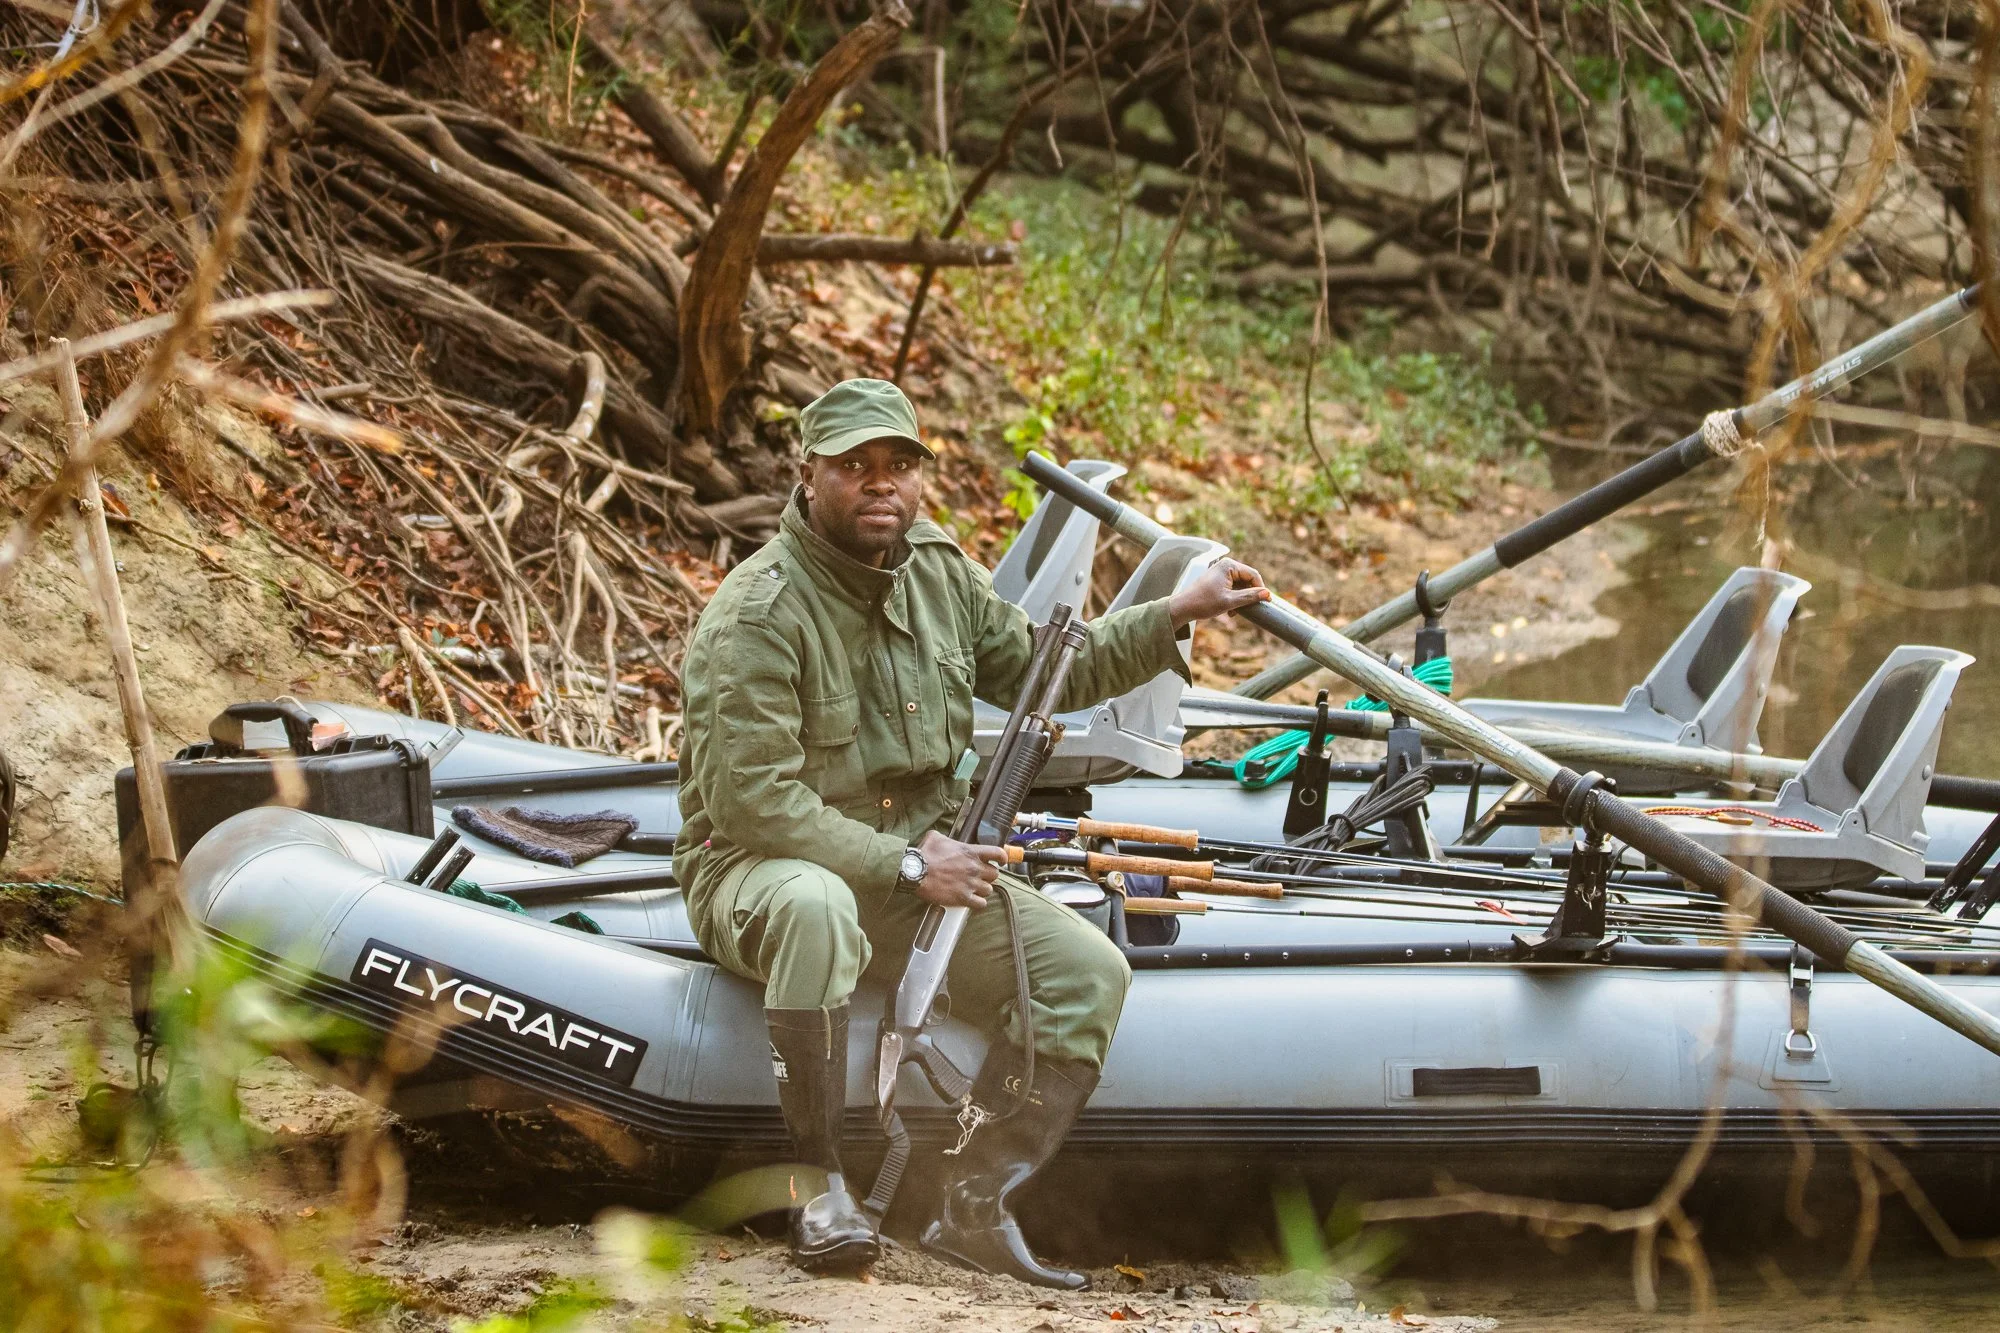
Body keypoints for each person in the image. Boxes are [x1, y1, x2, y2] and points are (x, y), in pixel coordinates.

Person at [675, 378, 1268, 1288]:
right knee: (819, 904)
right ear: (809, 476)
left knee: (1087, 970)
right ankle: (819, 1184)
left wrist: (1175, 612)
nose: (883, 485)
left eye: (900, 466)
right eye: (855, 467)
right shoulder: (757, 615)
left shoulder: (940, 573)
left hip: (919, 876)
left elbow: (1043, 667)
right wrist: (911, 860)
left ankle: (969, 1204)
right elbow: (757, 804)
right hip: (765, 870)